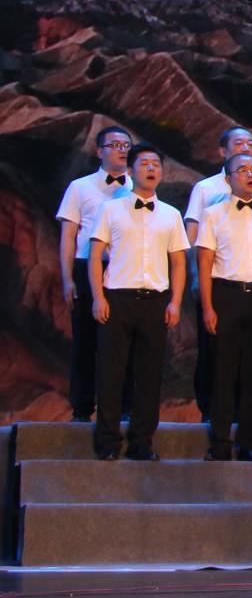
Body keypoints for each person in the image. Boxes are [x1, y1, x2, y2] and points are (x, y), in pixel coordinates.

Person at [87, 143, 187, 462]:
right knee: (112, 373)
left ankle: (142, 443)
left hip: (154, 302)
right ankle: (108, 443)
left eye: (156, 163)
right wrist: (98, 297)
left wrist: (175, 302)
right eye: (144, 163)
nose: (151, 168)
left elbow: (179, 263)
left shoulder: (171, 215)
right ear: (130, 171)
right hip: (117, 299)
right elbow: (94, 256)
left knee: (149, 375)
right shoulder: (110, 209)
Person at [194, 153, 252, 460]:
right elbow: (204, 263)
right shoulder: (213, 214)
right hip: (225, 294)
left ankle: (250, 443)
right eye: (243, 170)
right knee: (223, 370)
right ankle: (220, 443)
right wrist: (208, 306)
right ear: (228, 178)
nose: (250, 175)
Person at [186, 125, 252, 421]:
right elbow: (194, 238)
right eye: (239, 143)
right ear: (223, 151)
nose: (246, 148)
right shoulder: (206, 190)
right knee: (216, 357)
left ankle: (248, 427)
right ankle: (214, 418)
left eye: (251, 144)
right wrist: (197, 280)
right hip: (220, 285)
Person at [57, 124, 133, 421]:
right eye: (115, 145)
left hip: (124, 270)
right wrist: (67, 279)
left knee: (124, 343)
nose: (122, 150)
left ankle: (123, 409)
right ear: (99, 151)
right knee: (86, 341)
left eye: (126, 145)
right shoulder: (80, 187)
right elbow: (68, 235)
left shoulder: (137, 188)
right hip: (87, 267)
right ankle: (81, 408)